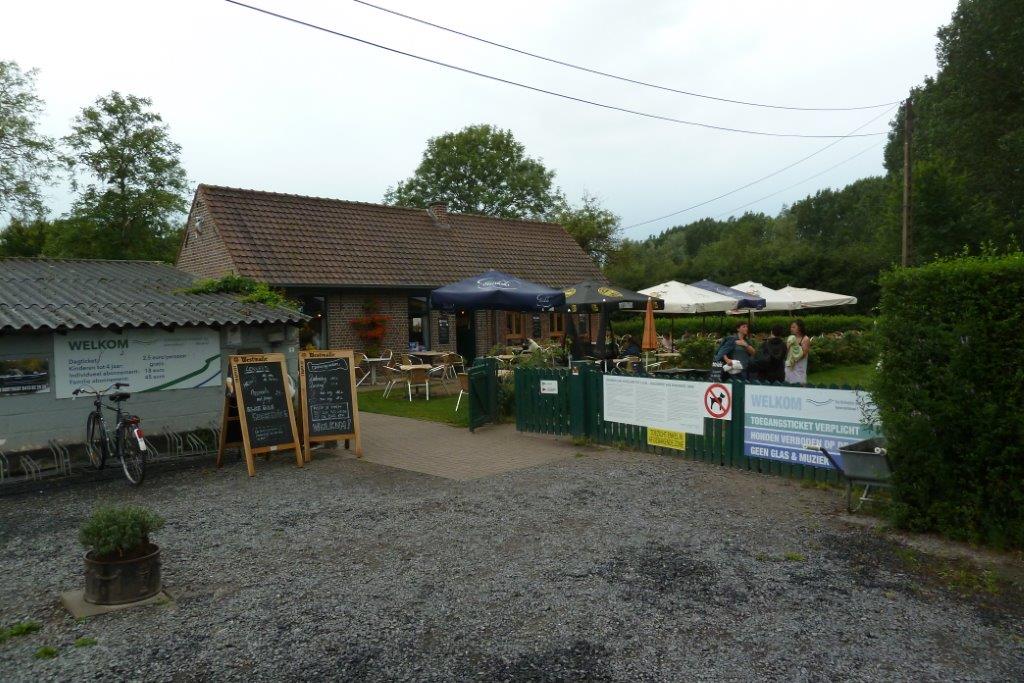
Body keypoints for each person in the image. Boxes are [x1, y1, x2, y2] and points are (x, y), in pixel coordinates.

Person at [785, 319, 811, 384]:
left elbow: (804, 354)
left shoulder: (805, 339)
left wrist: (794, 352)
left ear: (800, 328)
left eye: (794, 327)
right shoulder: (791, 338)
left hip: (799, 368)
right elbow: (786, 352)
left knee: (799, 387)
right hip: (789, 367)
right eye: (791, 327)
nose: (791, 329)